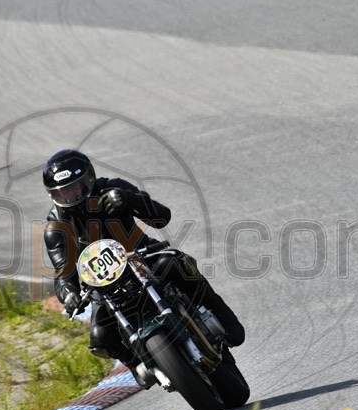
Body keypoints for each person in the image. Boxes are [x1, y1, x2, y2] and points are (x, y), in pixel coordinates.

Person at [42, 149, 245, 388]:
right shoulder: (56, 228)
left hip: (141, 257)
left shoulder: (112, 188)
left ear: (89, 179)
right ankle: (136, 364)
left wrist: (130, 200)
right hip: (103, 285)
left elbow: (161, 217)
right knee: (100, 335)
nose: (72, 195)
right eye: (64, 191)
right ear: (54, 195)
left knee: (176, 265)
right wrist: (69, 294)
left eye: (76, 187)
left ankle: (221, 313)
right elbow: (63, 271)